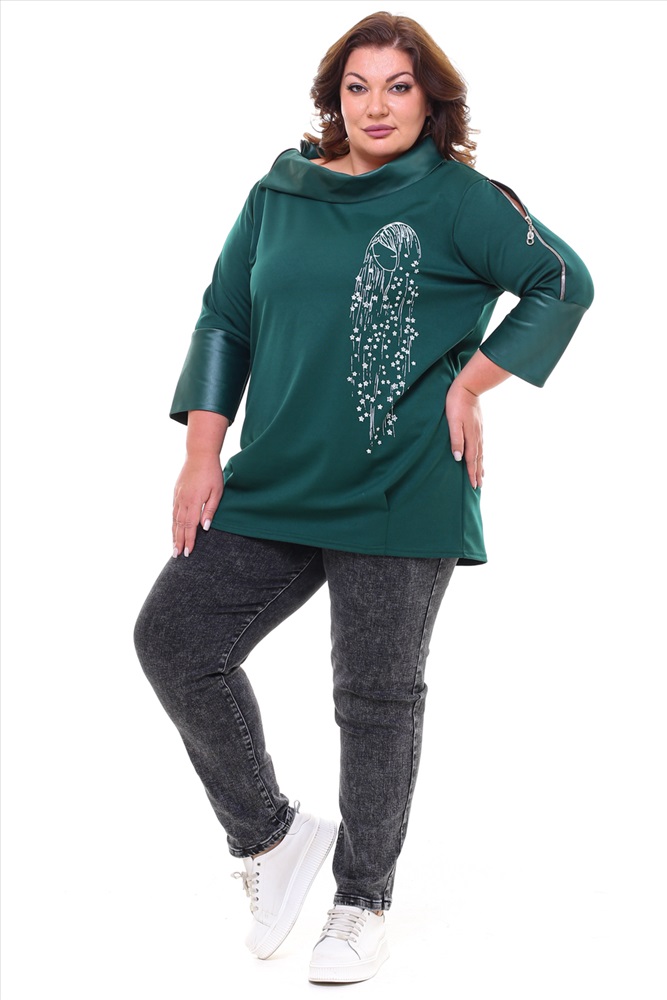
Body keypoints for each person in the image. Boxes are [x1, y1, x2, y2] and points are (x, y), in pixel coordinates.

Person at [134, 10, 593, 985]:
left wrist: (472, 383)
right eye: (357, 86)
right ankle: (270, 837)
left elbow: (561, 282)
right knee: (174, 639)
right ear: (332, 97)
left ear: (430, 99)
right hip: (275, 477)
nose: (375, 105)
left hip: (401, 483)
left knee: (374, 696)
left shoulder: (460, 199)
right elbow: (225, 318)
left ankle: (362, 901)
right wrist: (201, 453)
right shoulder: (279, 191)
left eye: (397, 85)